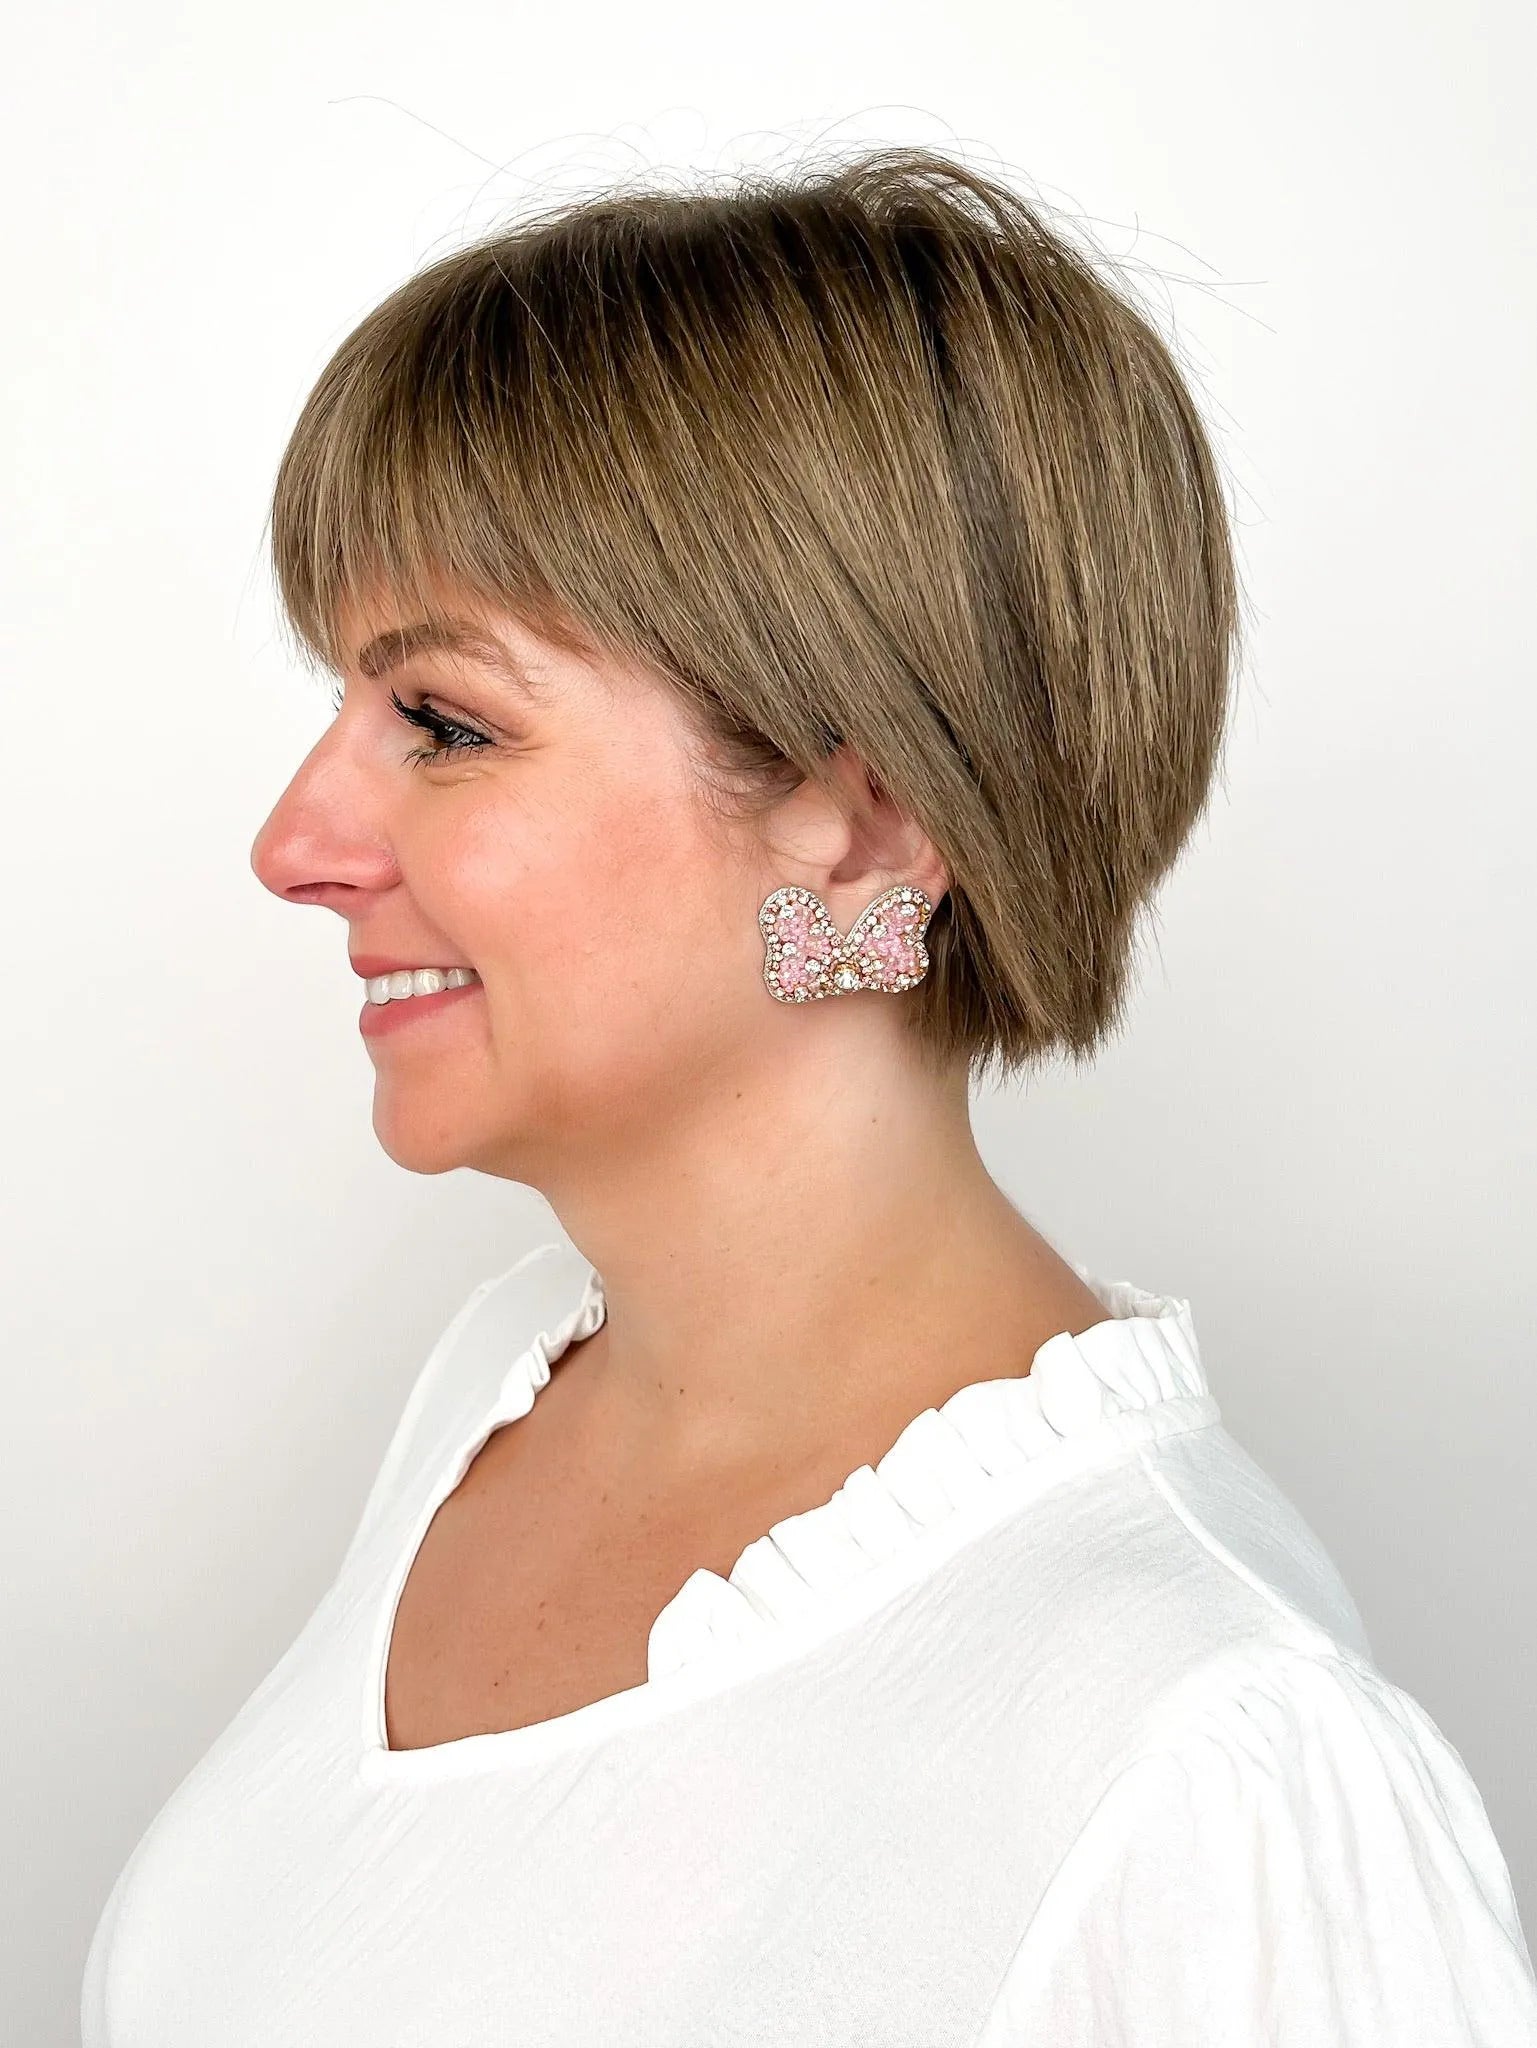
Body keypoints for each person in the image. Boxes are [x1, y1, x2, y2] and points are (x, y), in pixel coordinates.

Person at [81, 144, 1537, 2044]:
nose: (294, 847)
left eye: (442, 721)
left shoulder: (1203, 1767)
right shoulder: (493, 1390)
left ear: (863, 829)